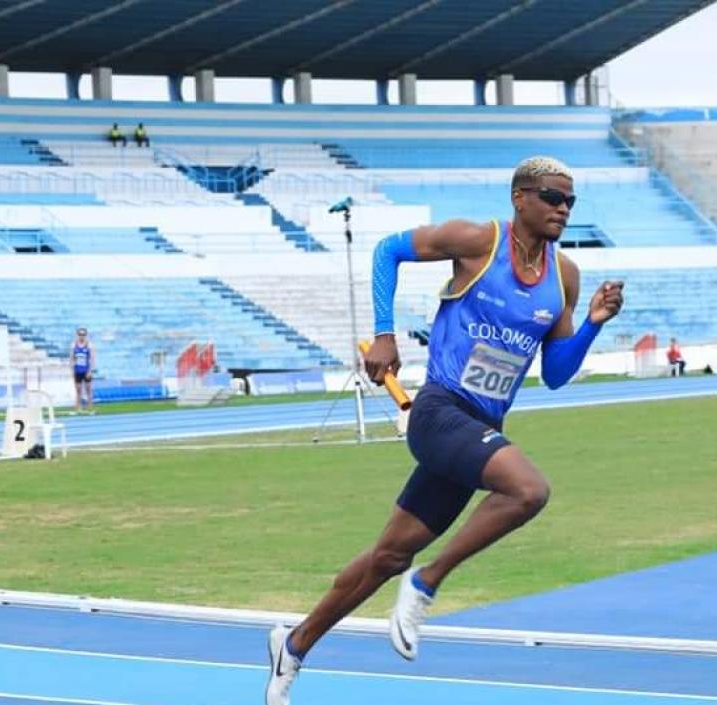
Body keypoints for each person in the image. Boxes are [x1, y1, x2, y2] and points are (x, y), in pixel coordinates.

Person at [264, 156, 625, 705]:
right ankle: (428, 581)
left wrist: (594, 324)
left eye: (570, 201)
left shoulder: (564, 277)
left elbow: (554, 373)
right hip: (438, 413)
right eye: (552, 197)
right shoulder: (478, 241)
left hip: (477, 429)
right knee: (528, 490)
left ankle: (293, 645)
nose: (563, 209)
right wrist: (384, 335)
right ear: (520, 197)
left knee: (386, 556)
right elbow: (389, 250)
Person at [71, 327, 95, 414]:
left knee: (88, 390)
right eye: (80, 334)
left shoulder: (89, 345)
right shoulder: (74, 345)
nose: (82, 336)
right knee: (78, 391)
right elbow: (72, 358)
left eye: (83, 335)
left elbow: (92, 359)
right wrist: (72, 369)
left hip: (86, 370)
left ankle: (90, 408)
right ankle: (78, 408)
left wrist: (90, 371)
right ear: (77, 335)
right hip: (77, 370)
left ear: (86, 335)